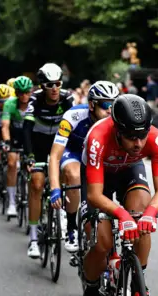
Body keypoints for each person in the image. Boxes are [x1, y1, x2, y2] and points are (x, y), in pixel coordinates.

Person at [79, 94, 158, 296]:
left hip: (129, 170)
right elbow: (95, 195)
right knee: (102, 242)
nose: (138, 143)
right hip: (99, 179)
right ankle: (90, 293)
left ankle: (138, 285)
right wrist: (121, 215)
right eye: (131, 136)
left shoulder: (156, 138)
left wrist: (149, 213)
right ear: (117, 129)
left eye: (142, 135)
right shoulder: (98, 137)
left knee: (142, 216)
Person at [49, 81, 120, 253]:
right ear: (91, 105)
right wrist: (55, 187)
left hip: (95, 156)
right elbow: (55, 155)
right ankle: (72, 227)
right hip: (73, 152)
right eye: (105, 105)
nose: (110, 110)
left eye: (114, 105)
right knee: (73, 176)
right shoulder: (73, 116)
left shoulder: (116, 120)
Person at [22, 63, 74, 259]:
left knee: (68, 175)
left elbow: (75, 126)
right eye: (50, 85)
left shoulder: (67, 97)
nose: (54, 89)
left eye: (58, 84)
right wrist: (29, 156)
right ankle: (34, 239)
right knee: (36, 183)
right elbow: (27, 129)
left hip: (59, 144)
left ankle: (65, 218)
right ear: (42, 86)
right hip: (39, 145)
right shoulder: (35, 98)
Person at [1, 76, 35, 217]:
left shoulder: (35, 104)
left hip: (30, 138)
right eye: (20, 93)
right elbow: (5, 126)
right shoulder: (10, 104)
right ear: (16, 93)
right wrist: (7, 142)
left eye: (27, 92)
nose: (24, 96)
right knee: (12, 163)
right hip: (15, 137)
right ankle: (12, 203)